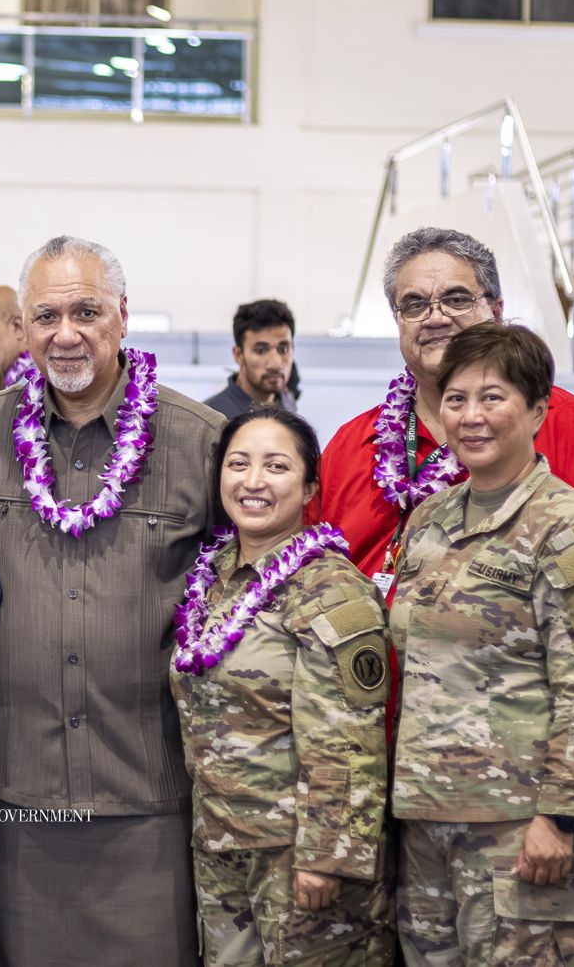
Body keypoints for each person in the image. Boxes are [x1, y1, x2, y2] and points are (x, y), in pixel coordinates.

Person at [310, 227, 574, 966]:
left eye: (456, 297)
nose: (436, 317)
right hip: (414, 795)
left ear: (496, 305)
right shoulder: (361, 453)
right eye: (414, 303)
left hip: (532, 800)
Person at [0, 235, 226, 966]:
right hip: (21, 801)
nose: (66, 334)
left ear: (122, 315)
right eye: (46, 316)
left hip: (149, 799)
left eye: (86, 311)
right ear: (24, 326)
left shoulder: (199, 441)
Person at [390, 322, 574, 964]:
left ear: (538, 410)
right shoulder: (431, 519)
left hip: (526, 833)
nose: (471, 416)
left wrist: (560, 817)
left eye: (492, 397)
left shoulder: (566, 528)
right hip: (431, 827)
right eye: (456, 398)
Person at [172, 407, 391, 966]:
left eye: (276, 466)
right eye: (238, 464)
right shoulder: (213, 576)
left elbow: (349, 741)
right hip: (221, 846)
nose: (254, 481)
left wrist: (327, 857)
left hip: (299, 858)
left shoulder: (331, 590)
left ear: (310, 487)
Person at [203, 299, 299, 420]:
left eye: (283, 349)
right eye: (261, 351)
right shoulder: (211, 418)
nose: (275, 364)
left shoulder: (288, 404)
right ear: (239, 355)